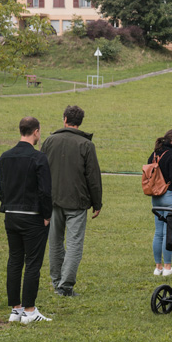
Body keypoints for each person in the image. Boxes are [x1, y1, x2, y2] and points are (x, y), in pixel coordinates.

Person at [40, 104, 102, 298]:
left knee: (55, 241)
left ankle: (57, 281)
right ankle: (65, 286)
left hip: (52, 200)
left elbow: (40, 171)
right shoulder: (86, 145)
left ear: (65, 119)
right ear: (80, 122)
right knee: (74, 243)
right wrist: (97, 203)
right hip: (77, 201)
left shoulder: (49, 141)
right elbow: (93, 177)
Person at [0, 116, 54, 324]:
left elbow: (0, 189)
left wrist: (11, 204)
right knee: (32, 263)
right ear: (36, 131)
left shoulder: (5, 157)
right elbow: (45, 191)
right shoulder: (39, 158)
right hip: (33, 217)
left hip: (11, 215)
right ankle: (29, 311)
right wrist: (47, 214)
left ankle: (15, 309)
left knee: (14, 260)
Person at [149, 129, 172, 276]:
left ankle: (158, 267)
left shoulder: (154, 154)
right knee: (168, 233)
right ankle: (167, 267)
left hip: (156, 196)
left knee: (158, 233)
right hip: (170, 195)